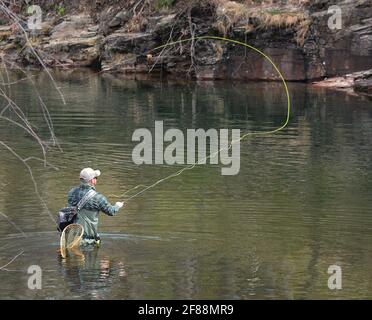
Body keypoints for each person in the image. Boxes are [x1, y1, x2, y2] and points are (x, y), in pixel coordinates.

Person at [67, 168, 124, 245]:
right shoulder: (98, 198)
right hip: (88, 241)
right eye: (95, 178)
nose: (96, 180)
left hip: (71, 238)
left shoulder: (71, 192)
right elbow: (111, 211)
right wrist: (117, 205)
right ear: (92, 181)